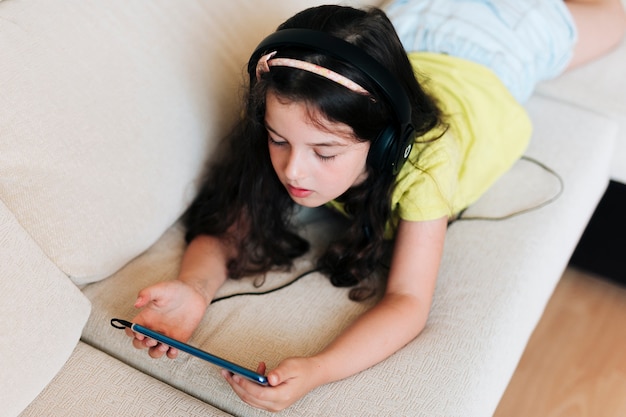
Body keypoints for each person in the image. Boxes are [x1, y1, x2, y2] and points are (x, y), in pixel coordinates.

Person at [126, 0, 626, 412]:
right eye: (279, 140)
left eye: (325, 153)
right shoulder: (296, 120)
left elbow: (409, 303)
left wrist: (320, 369)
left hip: (503, 45)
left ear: (386, 144)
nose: (294, 171)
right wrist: (195, 289)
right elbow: (228, 226)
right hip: (415, 21)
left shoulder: (426, 164)